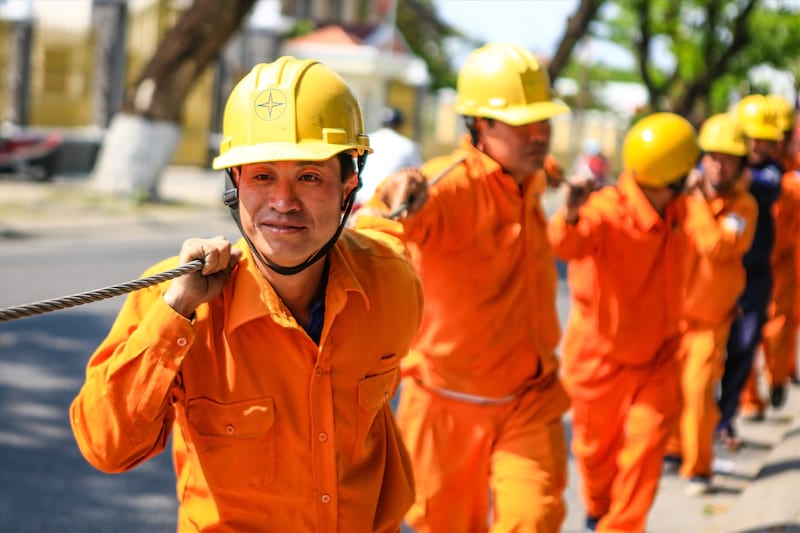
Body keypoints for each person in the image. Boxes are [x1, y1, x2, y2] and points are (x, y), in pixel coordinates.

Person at [70, 57, 424, 532]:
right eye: (262, 176)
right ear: (234, 186)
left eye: (310, 177)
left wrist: (394, 201)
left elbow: (384, 231)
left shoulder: (391, 282)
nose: (284, 201)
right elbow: (107, 447)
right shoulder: (174, 300)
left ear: (348, 187)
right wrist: (176, 312)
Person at [355, 42, 571, 532]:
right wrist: (393, 195)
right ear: (479, 125)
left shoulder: (532, 173)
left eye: (545, 122)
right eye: (523, 123)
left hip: (529, 401)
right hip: (446, 407)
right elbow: (375, 227)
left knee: (533, 517)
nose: (540, 136)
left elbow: (546, 169)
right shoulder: (445, 186)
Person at [548, 112, 700, 532]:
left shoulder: (680, 209)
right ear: (676, 175)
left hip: (657, 358)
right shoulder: (607, 211)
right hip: (599, 360)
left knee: (647, 447)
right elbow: (566, 243)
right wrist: (571, 213)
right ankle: (599, 513)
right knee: (595, 458)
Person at [663, 113, 758, 496]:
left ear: (739, 165)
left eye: (729, 159)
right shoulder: (681, 197)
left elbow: (718, 247)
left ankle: (698, 469)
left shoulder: (743, 207)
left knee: (700, 393)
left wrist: (699, 201)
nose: (719, 166)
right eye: (713, 157)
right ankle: (673, 450)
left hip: (709, 321)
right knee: (669, 392)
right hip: (670, 317)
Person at [714, 94, 783, 448]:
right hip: (714, 277)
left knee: (743, 346)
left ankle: (724, 419)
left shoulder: (771, 173)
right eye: (756, 138)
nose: (763, 146)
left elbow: (767, 184)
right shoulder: (716, 163)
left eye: (769, 140)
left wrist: (736, 177)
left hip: (754, 276)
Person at [739, 94, 799, 418]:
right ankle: (749, 399)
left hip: (785, 262)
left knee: (779, 326)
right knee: (745, 334)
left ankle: (777, 377)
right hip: (752, 262)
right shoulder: (742, 171)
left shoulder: (786, 174)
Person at [355, 106, 422, 208]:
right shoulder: (407, 145)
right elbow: (419, 176)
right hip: (386, 206)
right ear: (400, 124)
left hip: (357, 203)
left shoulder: (367, 140)